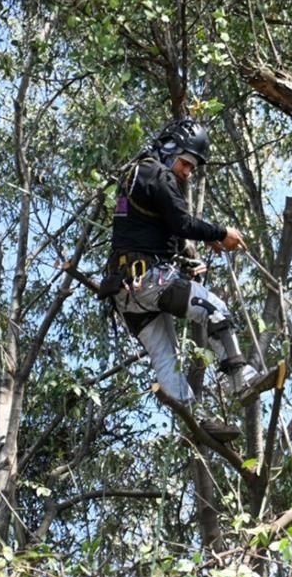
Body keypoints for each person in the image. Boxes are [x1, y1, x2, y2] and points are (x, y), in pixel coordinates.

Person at [100, 118, 259, 441]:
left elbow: (152, 232)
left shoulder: (135, 177)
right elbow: (181, 223)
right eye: (186, 163)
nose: (187, 172)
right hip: (144, 278)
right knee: (213, 308)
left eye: (191, 168)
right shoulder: (153, 172)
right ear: (169, 148)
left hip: (126, 291)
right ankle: (240, 378)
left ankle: (195, 421)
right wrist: (220, 233)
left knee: (166, 357)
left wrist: (184, 266)